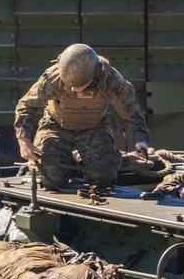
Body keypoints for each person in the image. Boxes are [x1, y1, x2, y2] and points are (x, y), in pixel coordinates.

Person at [14, 43, 149, 191]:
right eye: (69, 85)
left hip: (93, 128)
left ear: (92, 77)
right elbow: (26, 105)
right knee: (52, 179)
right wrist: (24, 140)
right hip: (56, 126)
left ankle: (81, 157)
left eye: (77, 85)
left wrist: (139, 139)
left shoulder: (110, 79)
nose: (72, 89)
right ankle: (66, 156)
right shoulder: (53, 78)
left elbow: (130, 109)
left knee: (103, 179)